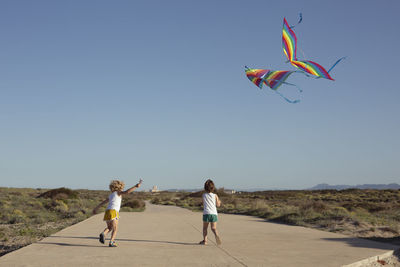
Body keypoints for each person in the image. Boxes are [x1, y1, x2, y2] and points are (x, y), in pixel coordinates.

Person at [93, 179, 142, 247]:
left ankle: (103, 233)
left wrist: (96, 208)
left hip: (107, 212)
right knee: (115, 228)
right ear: (120, 187)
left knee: (109, 227)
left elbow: (103, 202)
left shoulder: (111, 195)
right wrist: (136, 186)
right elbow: (127, 192)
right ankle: (111, 242)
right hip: (114, 212)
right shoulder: (118, 192)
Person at [199, 179, 222, 245]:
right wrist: (219, 202)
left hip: (206, 213)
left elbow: (203, 204)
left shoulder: (204, 195)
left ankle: (205, 241)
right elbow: (218, 205)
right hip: (214, 213)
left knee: (205, 228)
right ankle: (216, 235)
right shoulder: (215, 195)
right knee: (213, 228)